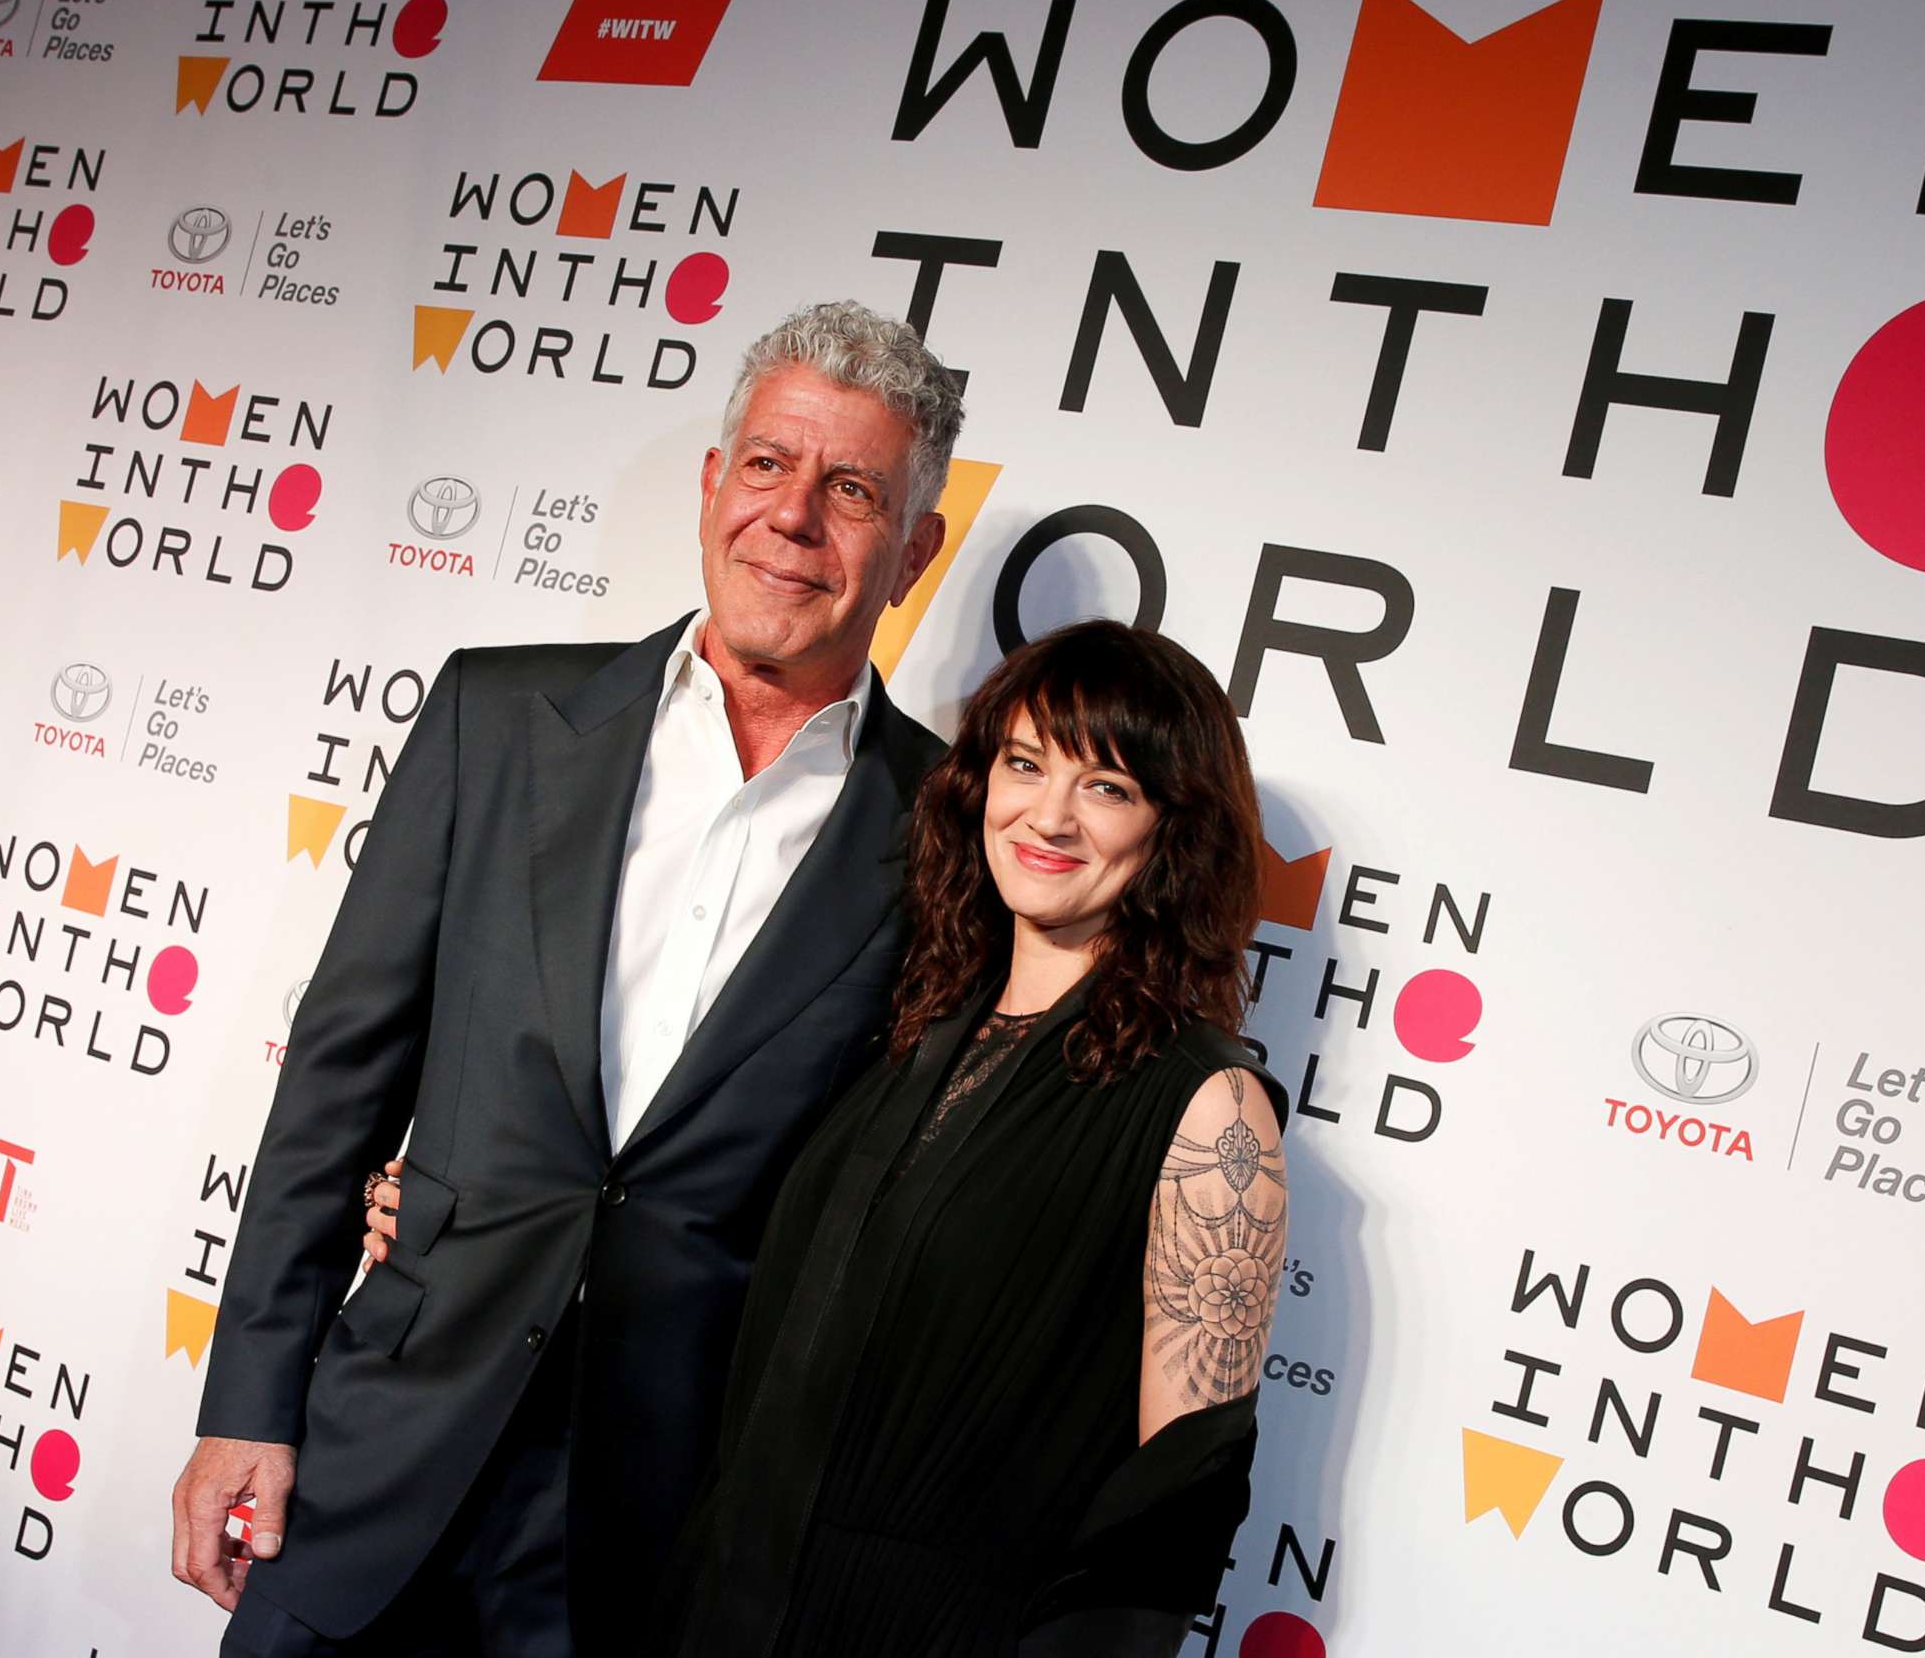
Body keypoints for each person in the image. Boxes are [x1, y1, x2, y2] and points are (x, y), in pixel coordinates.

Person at [173, 301, 963, 1658]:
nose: (794, 517)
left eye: (852, 490)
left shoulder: (947, 830)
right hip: (380, 1445)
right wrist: (248, 1399)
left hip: (654, 1527)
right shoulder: (498, 717)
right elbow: (338, 1080)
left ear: (913, 553)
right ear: (713, 486)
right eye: (768, 465)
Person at [369, 618, 1290, 1655]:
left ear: (1174, 830)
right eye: (1026, 765)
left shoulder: (1207, 1108)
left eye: (1109, 787)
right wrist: (475, 1208)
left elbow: (1177, 1502)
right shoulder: (912, 1035)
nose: (1051, 815)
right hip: (722, 1603)